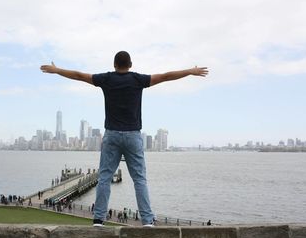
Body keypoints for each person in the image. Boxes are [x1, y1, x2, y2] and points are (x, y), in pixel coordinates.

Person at [41, 51, 208, 227]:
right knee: (139, 179)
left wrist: (56, 70)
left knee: (105, 177)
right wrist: (190, 71)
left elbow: (79, 75)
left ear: (114, 64)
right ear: (130, 64)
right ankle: (147, 221)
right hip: (133, 135)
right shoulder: (138, 80)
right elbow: (166, 76)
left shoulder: (106, 79)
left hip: (112, 135)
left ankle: (98, 219)